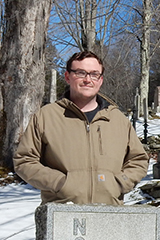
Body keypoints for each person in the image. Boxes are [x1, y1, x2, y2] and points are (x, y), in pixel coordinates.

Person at [13, 51, 148, 205]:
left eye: (94, 74)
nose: (87, 80)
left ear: (101, 80)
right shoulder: (46, 117)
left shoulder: (118, 120)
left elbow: (139, 159)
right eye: (80, 73)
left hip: (109, 214)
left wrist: (119, 183)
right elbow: (24, 160)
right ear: (67, 77)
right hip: (61, 211)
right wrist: (60, 183)